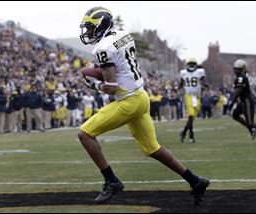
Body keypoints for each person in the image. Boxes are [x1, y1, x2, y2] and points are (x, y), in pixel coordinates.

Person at [77, 6, 209, 205]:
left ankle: (111, 181)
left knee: (85, 134)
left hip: (128, 101)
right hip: (141, 96)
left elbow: (112, 87)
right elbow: (119, 66)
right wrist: (99, 72)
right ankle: (195, 180)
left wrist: (95, 84)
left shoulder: (103, 49)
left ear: (101, 25)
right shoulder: (123, 35)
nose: (87, 32)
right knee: (153, 148)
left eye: (90, 27)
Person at [179, 58, 208, 143]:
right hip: (188, 96)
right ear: (188, 64)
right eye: (190, 63)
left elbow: (203, 81)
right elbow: (181, 83)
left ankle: (187, 133)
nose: (191, 65)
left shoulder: (200, 72)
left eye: (193, 63)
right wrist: (178, 88)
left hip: (197, 96)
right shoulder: (183, 73)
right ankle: (187, 133)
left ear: (195, 64)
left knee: (192, 118)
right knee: (191, 115)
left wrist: (205, 84)